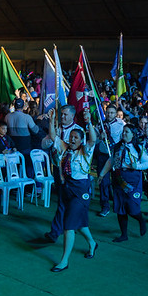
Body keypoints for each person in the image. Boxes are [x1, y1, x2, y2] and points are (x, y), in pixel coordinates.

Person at [46, 113, 98, 272]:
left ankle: (64, 261)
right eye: (71, 137)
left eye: (76, 137)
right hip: (67, 189)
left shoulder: (86, 150)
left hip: (81, 191)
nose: (73, 139)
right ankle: (92, 243)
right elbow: (53, 136)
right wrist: (51, 121)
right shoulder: (65, 149)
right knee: (79, 223)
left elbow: (93, 139)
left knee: (68, 225)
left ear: (81, 140)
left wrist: (89, 123)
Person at [39, 106, 83, 243]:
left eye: (65, 115)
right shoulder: (56, 129)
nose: (62, 117)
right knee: (62, 202)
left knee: (68, 203)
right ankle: (58, 230)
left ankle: (60, 229)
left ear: (72, 116)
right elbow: (43, 144)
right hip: (58, 170)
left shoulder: (78, 131)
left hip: (73, 173)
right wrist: (53, 138)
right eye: (61, 114)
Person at [98, 125, 148, 242]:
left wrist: (137, 166)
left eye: (127, 132)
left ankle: (141, 220)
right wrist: (102, 174)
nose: (124, 134)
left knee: (132, 208)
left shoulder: (138, 148)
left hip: (133, 180)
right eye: (123, 132)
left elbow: (147, 163)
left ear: (133, 134)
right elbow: (111, 161)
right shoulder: (118, 147)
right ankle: (124, 234)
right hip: (118, 179)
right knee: (120, 208)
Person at [96, 104, 124, 217]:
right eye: (108, 112)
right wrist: (100, 137)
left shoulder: (121, 124)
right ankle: (105, 206)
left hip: (115, 155)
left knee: (117, 180)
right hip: (103, 155)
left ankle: (118, 204)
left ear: (115, 114)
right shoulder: (100, 125)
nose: (109, 115)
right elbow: (94, 141)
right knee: (103, 181)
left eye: (112, 113)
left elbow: (123, 139)